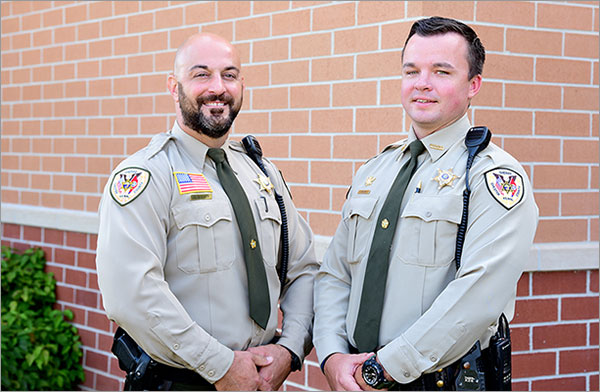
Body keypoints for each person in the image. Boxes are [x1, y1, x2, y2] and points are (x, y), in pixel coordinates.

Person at [313, 16, 538, 391]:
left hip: (437, 380)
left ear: (473, 85)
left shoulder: (491, 177)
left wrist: (384, 369)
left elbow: (477, 296)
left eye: (441, 71)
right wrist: (332, 356)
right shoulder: (375, 171)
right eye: (411, 70)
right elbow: (336, 274)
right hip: (354, 377)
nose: (422, 83)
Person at [96, 33, 318, 391]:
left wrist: (289, 349)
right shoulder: (147, 176)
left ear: (241, 84)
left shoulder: (262, 172)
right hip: (180, 381)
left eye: (229, 75)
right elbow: (131, 293)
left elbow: (304, 269)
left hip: (260, 380)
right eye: (201, 75)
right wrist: (220, 365)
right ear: (174, 86)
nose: (218, 87)